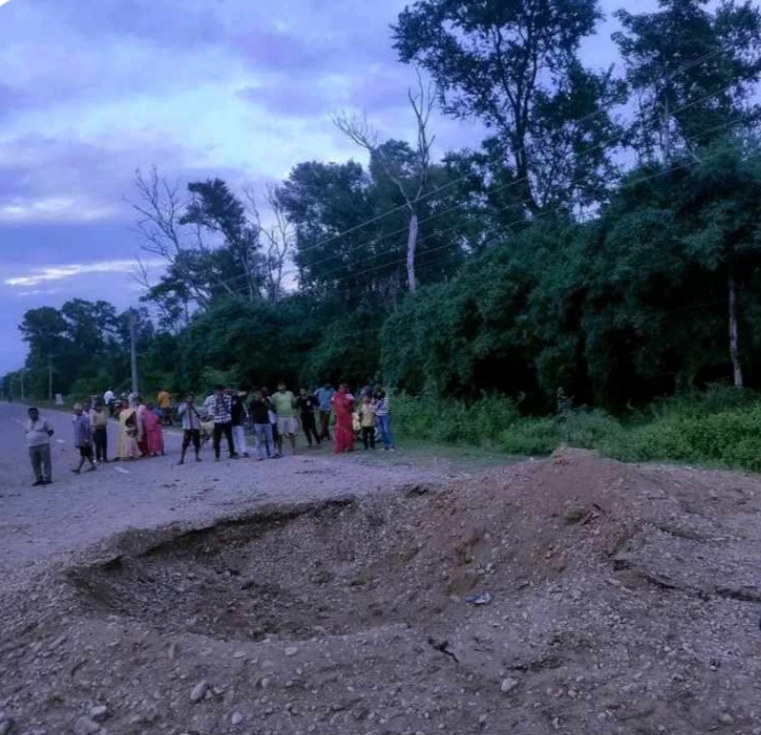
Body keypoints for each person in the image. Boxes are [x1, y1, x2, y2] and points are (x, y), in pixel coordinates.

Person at [24, 407, 54, 486]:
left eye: (34, 413)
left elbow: (51, 431)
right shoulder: (26, 422)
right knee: (35, 463)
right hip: (32, 446)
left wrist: (44, 438)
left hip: (43, 444)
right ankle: (39, 478)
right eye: (31, 413)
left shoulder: (44, 421)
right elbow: (26, 432)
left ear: (37, 413)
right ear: (28, 414)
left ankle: (48, 478)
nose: (32, 415)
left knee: (46, 462)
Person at [211, 385, 237, 461]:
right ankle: (217, 456)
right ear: (216, 391)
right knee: (217, 439)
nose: (220, 393)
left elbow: (229, 409)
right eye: (218, 391)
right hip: (218, 421)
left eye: (221, 391)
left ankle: (232, 453)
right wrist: (217, 402)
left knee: (230, 438)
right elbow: (214, 411)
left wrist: (222, 401)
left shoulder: (228, 398)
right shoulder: (213, 399)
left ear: (223, 391)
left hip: (227, 420)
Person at [272, 381, 298, 455]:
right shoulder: (275, 395)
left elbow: (294, 403)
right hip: (280, 417)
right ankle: (280, 451)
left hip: (290, 416)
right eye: (280, 386)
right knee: (280, 434)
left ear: (285, 387)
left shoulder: (290, 394)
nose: (282, 387)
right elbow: (272, 405)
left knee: (291, 433)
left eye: (283, 386)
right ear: (278, 387)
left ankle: (294, 449)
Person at [177, 394, 203, 464]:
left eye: (191, 399)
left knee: (196, 443)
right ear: (186, 399)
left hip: (195, 426)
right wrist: (186, 408)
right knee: (185, 443)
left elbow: (199, 416)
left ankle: (197, 456)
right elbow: (179, 415)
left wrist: (193, 408)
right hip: (187, 427)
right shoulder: (182, 406)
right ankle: (182, 459)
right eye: (188, 399)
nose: (190, 400)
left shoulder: (196, 406)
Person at [249, 389, 274, 460]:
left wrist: (264, 402)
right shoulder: (253, 402)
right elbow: (251, 412)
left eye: (260, 394)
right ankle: (259, 455)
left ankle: (272, 454)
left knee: (270, 439)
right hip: (257, 422)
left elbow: (270, 408)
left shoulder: (265, 400)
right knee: (258, 440)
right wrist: (252, 422)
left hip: (266, 421)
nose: (259, 395)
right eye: (257, 394)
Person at [72, 403, 96, 474]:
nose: (75, 411)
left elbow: (87, 429)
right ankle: (93, 465)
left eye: (76, 410)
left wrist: (86, 439)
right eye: (74, 410)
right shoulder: (77, 418)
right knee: (87, 454)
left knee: (83, 454)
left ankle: (78, 469)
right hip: (80, 440)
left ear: (80, 411)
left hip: (85, 440)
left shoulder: (84, 419)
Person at [332, 384, 355, 454]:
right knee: (340, 431)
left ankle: (349, 446)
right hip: (340, 416)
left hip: (347, 416)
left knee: (348, 431)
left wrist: (349, 408)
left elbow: (352, 405)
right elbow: (333, 404)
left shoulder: (349, 396)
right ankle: (341, 446)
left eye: (343, 388)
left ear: (345, 389)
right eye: (340, 388)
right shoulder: (336, 396)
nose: (341, 389)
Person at [374, 387, 395, 451]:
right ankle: (386, 446)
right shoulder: (376, 398)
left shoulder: (385, 398)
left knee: (386, 430)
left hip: (385, 416)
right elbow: (374, 407)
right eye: (377, 392)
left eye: (379, 392)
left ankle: (391, 446)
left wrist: (379, 403)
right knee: (381, 431)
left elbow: (385, 407)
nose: (378, 393)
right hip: (378, 416)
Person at [231, 390, 250, 458]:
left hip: (238, 421)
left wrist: (245, 419)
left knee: (240, 437)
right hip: (232, 421)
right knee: (235, 437)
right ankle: (236, 451)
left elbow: (244, 411)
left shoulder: (240, 401)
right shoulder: (231, 399)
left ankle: (243, 451)